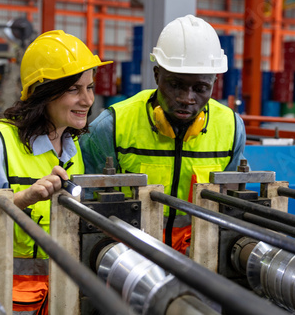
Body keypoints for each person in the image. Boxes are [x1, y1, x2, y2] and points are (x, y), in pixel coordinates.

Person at [0, 30, 111, 314]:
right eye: (74, 89)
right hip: (4, 294)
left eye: (89, 88)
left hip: (62, 294)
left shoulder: (72, 146)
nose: (88, 100)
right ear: (43, 93)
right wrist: (20, 200)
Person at [80, 15, 246, 255]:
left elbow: (229, 207)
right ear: (157, 75)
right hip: (126, 259)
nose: (187, 98)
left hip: (199, 261)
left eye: (200, 88)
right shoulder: (112, 127)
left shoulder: (231, 128)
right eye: (176, 84)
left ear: (214, 82)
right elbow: (86, 210)